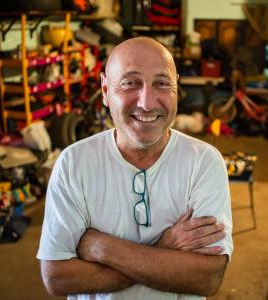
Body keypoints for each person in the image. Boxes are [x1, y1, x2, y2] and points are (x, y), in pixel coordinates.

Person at [37, 36, 233, 300]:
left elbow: (207, 277)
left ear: (177, 89)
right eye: (130, 83)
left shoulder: (204, 161)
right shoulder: (74, 164)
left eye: (162, 83)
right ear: (105, 91)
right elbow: (58, 278)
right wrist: (164, 248)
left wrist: (103, 248)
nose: (147, 102)